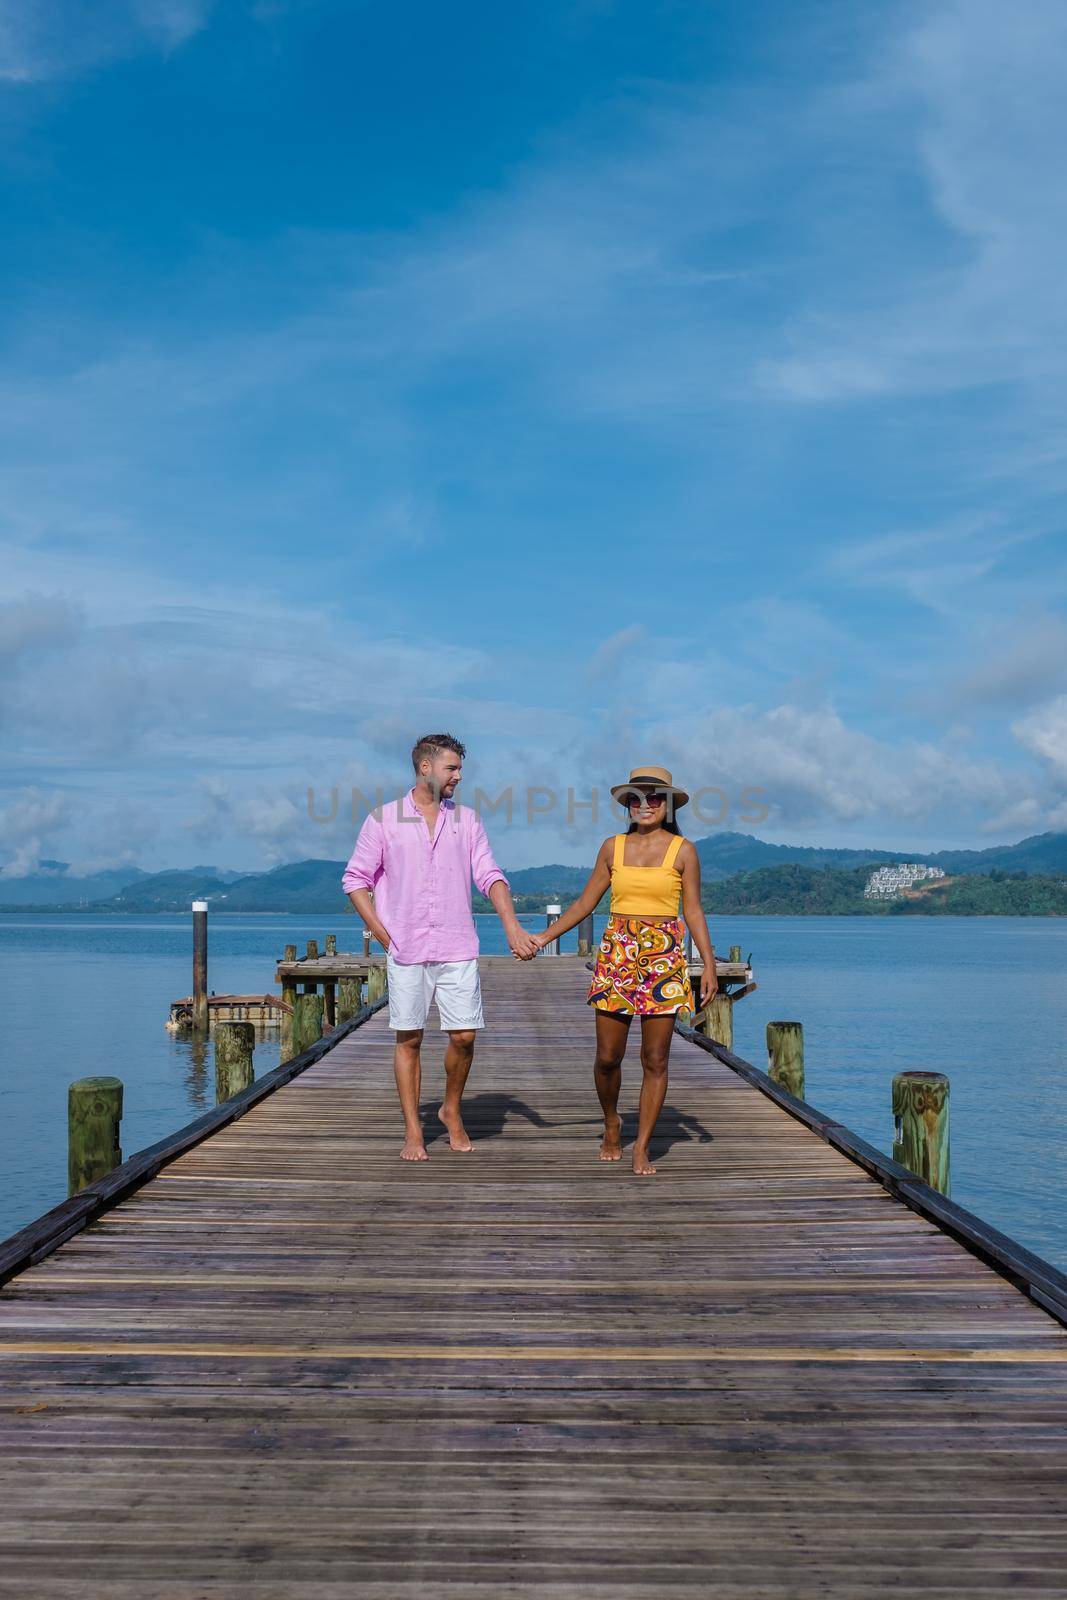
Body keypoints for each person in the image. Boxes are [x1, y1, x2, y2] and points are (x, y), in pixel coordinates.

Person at [342, 733, 539, 1161]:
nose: (459, 776)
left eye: (460, 769)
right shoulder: (384, 819)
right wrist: (379, 929)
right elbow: (355, 879)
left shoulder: (466, 820)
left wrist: (511, 925)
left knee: (464, 1036)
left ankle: (451, 1108)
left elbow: (490, 874)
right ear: (426, 767)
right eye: (452, 768)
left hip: (456, 943)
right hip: (406, 946)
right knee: (409, 1037)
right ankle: (414, 1128)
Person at [530, 765, 717, 1176]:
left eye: (654, 798)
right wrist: (542, 940)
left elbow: (694, 910)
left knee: (655, 1058)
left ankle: (642, 1146)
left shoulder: (683, 851)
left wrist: (708, 964)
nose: (644, 805)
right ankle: (611, 1121)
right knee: (608, 1057)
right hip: (618, 954)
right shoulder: (612, 848)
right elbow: (583, 906)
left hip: (665, 957)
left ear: (667, 805)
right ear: (626, 805)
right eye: (636, 798)